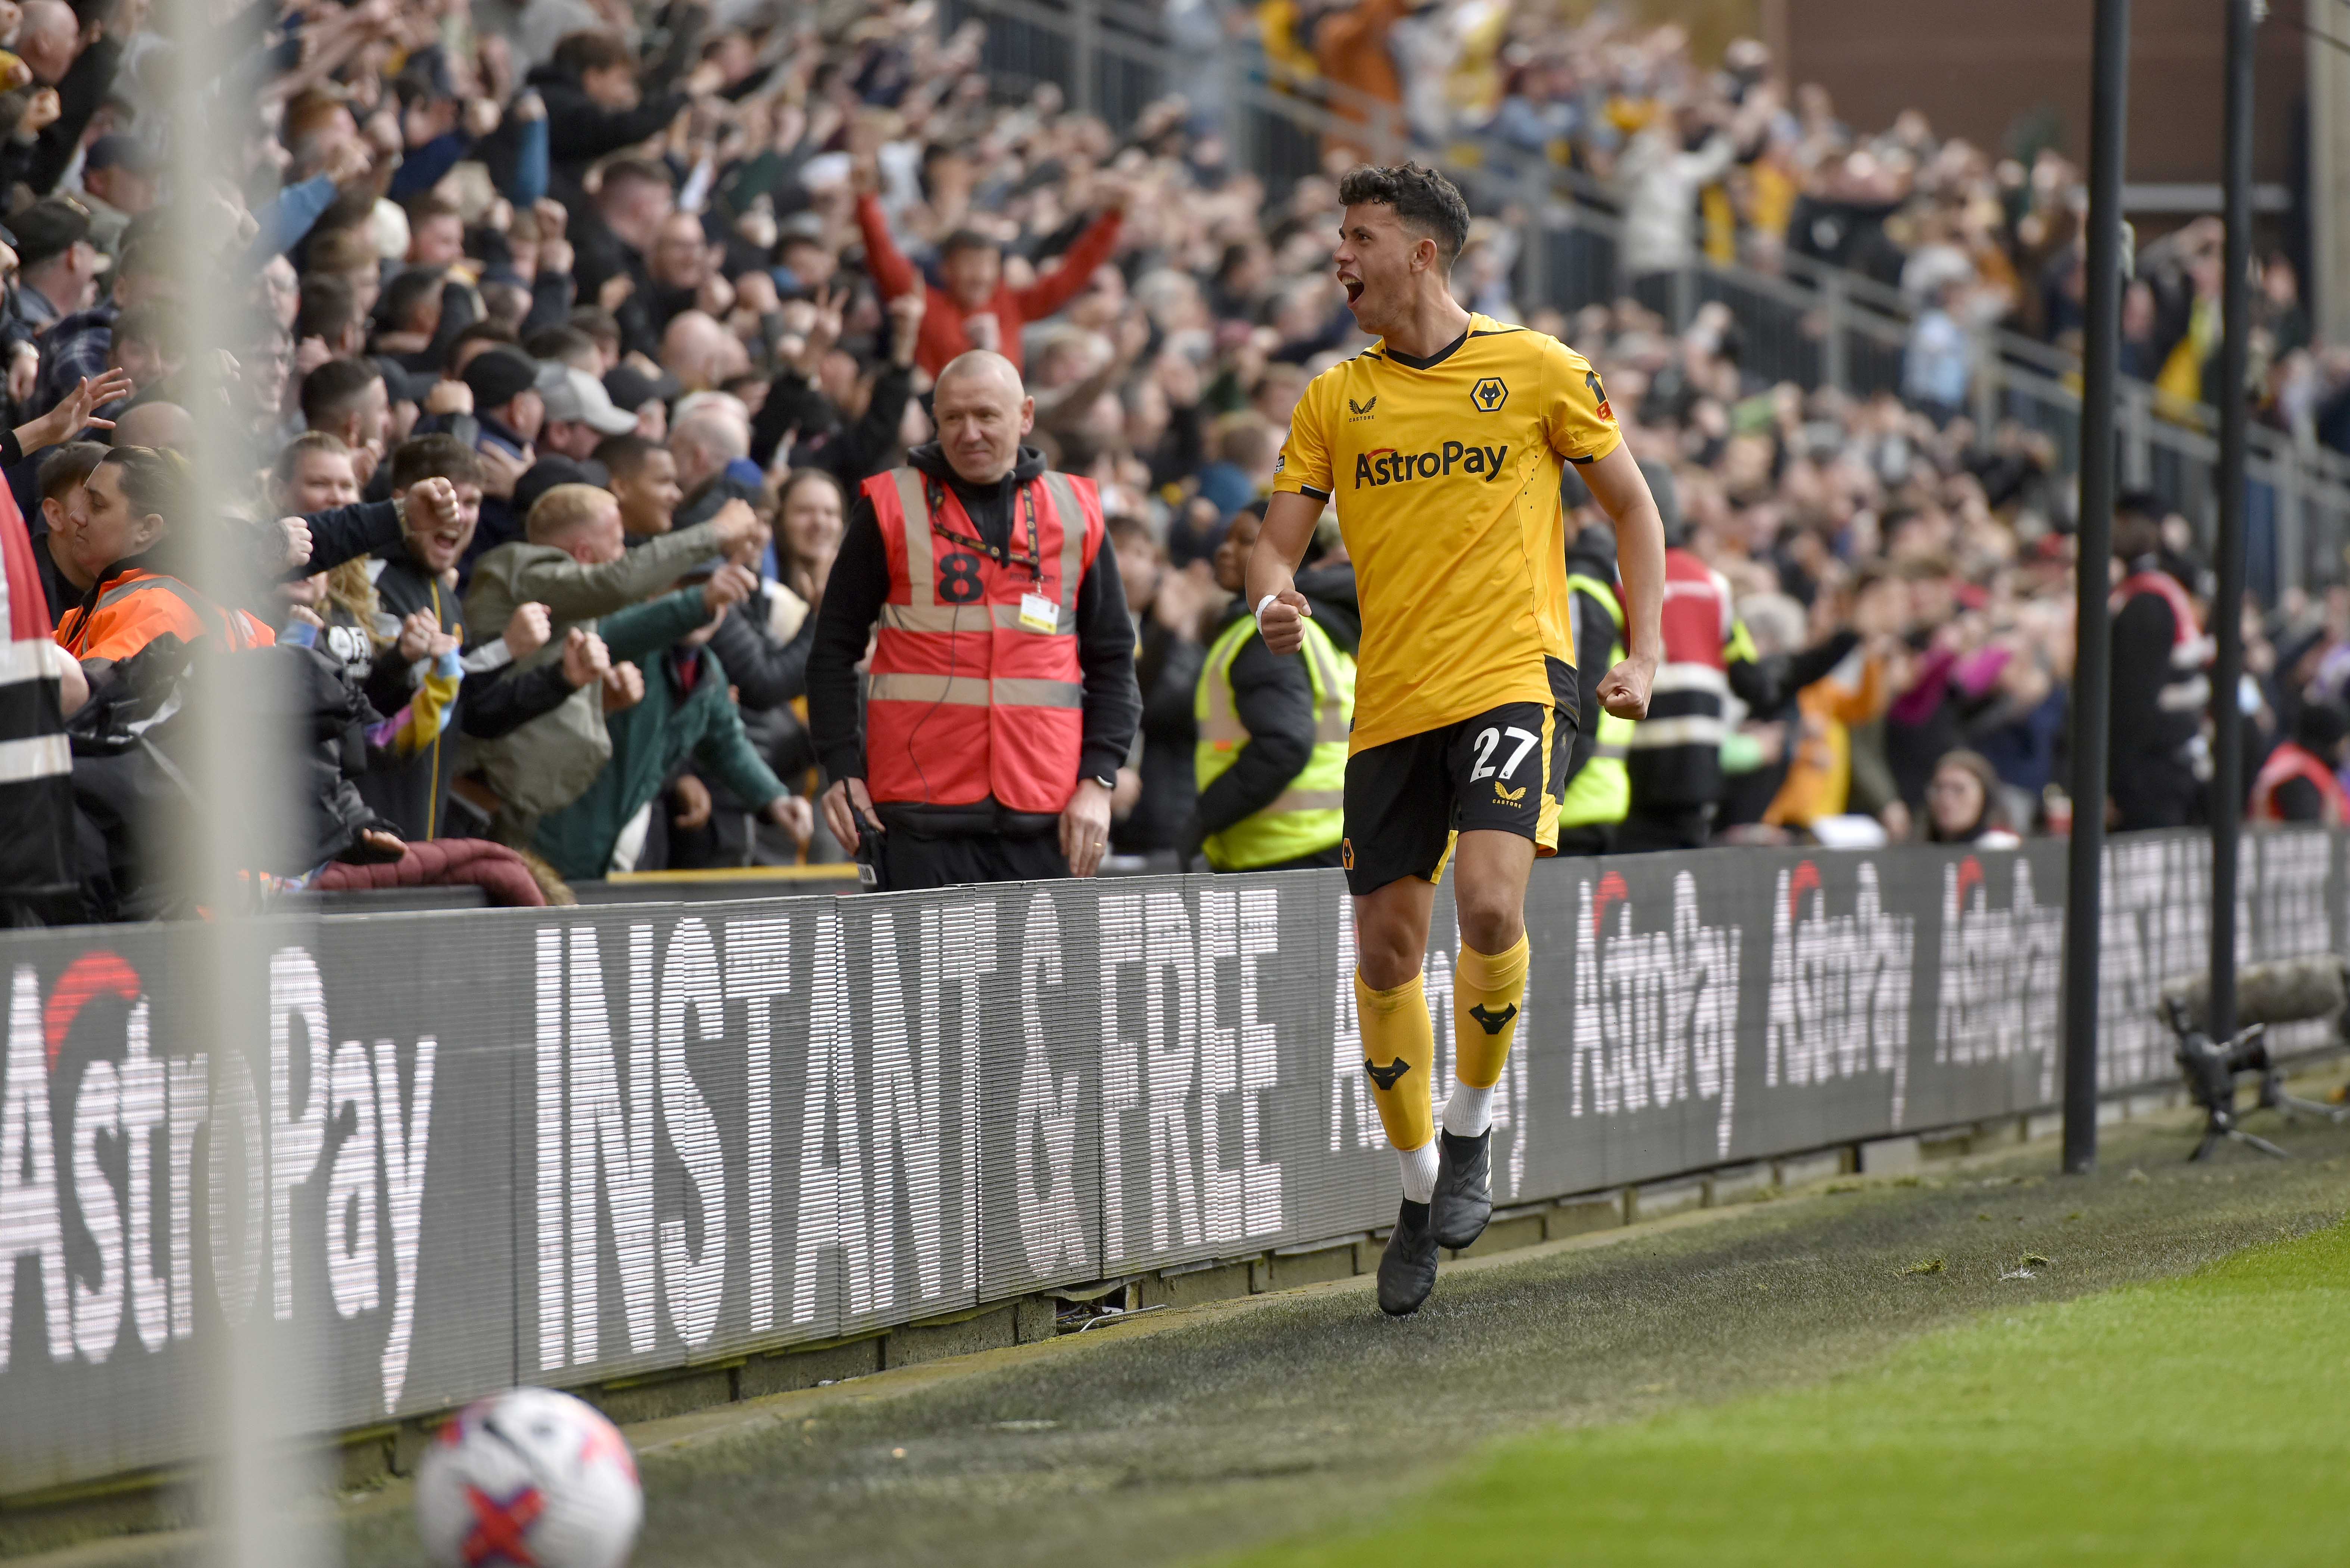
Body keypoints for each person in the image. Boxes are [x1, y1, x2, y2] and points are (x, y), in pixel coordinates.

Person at [1245, 163, 1664, 1315]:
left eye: (1358, 236)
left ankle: (1471, 1130)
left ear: (1420, 253)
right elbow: (1272, 544)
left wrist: (1645, 647)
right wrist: (1271, 596)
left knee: (1488, 905)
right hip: (1393, 703)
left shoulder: (1535, 369)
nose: (1339, 255)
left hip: (1514, 677)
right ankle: (1421, 1187)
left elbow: (1630, 503)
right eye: (1336, 235)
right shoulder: (1333, 398)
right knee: (1386, 953)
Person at [808, 350, 1141, 891]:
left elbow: (1112, 660)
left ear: (1025, 415)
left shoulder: (1076, 511)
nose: (969, 433)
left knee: (1045, 982)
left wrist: (1099, 781)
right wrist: (842, 769)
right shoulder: (890, 505)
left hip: (1047, 814)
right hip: (919, 815)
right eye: (953, 418)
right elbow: (831, 652)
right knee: (921, 980)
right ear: (934, 420)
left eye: (987, 415)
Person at [1186, 502, 1354, 872]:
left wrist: (1205, 815)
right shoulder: (1326, 627)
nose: (1224, 549)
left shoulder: (1267, 635)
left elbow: (1284, 744)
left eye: (1247, 540)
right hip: (1326, 842)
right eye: (1226, 538)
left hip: (1282, 852)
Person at [2108, 492, 2209, 831]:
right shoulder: (2157, 589)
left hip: (2150, 772)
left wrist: (2114, 781)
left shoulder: (2146, 601)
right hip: (2165, 760)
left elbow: (2136, 700)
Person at [1555, 518, 1632, 853]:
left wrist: (1547, 795)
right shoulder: (1600, 589)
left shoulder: (1579, 591)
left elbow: (1579, 704)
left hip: (1571, 805)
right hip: (1595, 799)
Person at [2247, 703, 2350, 825]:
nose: (2345, 746)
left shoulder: (2300, 760)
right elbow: (2305, 832)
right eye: (2344, 739)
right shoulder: (2298, 776)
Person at [1923, 749, 2022, 847]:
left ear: (1984, 796)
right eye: (1939, 789)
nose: (1946, 800)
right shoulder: (1921, 850)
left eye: (1959, 789)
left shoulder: (2003, 848)